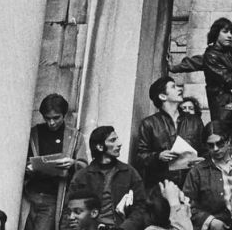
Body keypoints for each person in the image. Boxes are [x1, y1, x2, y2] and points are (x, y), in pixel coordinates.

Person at [24, 94, 88, 230]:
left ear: (64, 115)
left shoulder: (75, 136)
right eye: (47, 118)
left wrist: (72, 164)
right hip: (30, 194)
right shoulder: (34, 133)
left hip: (54, 196)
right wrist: (28, 167)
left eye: (56, 118)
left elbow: (84, 167)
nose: (51, 122)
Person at [69, 127, 146, 230]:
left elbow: (140, 208)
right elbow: (69, 210)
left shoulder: (130, 173)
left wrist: (124, 228)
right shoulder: (82, 176)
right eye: (113, 140)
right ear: (100, 147)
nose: (119, 143)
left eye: (117, 139)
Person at [136, 76, 205, 189]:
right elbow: (140, 157)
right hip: (161, 188)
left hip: (191, 185)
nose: (180, 89)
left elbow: (206, 150)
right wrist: (158, 156)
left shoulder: (195, 121)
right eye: (173, 87)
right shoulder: (149, 123)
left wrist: (201, 161)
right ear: (163, 96)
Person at [182, 121, 232, 230]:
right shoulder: (197, 172)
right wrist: (210, 221)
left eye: (220, 143)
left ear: (229, 141)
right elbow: (186, 203)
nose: (215, 149)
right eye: (210, 145)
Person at [202, 18, 232, 120]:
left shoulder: (231, 51)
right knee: (222, 132)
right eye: (225, 32)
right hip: (220, 102)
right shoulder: (211, 55)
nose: (230, 35)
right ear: (216, 33)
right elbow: (228, 79)